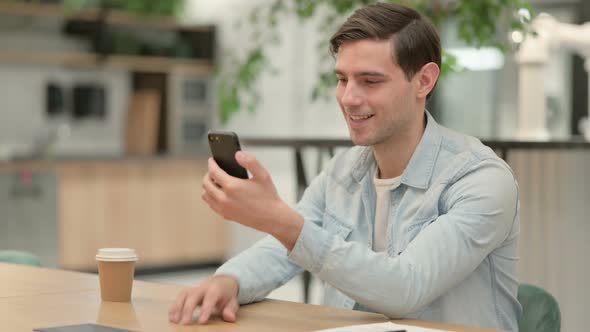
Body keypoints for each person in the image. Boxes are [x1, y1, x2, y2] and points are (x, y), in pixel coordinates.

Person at [168, 3, 522, 331]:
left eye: (370, 81)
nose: (349, 98)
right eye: (342, 79)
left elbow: (406, 288)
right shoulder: (343, 171)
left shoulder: (481, 180)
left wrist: (277, 218)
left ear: (424, 81)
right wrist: (229, 280)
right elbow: (284, 249)